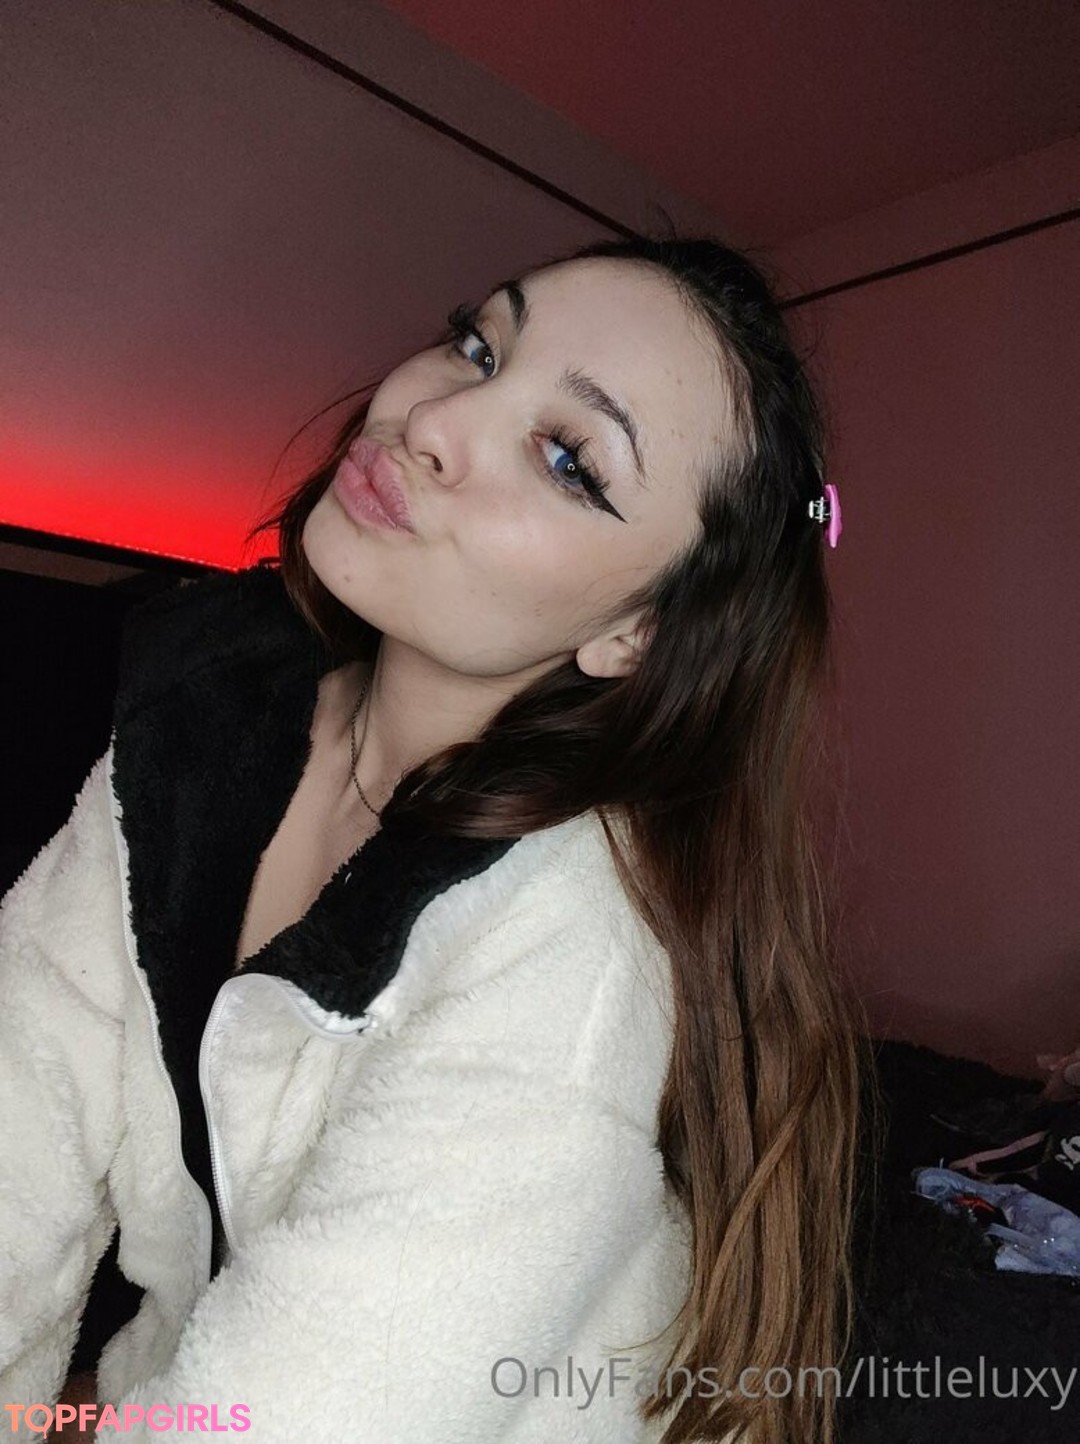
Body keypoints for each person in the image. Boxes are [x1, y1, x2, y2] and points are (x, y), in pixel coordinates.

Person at [0, 231, 870, 1443]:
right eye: (479, 346)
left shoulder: (573, 957)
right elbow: (20, 1126)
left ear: (637, 633)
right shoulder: (193, 729)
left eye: (569, 458)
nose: (435, 420)